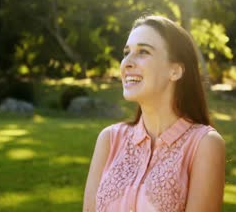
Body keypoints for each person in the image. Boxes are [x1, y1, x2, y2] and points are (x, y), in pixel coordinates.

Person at [83, 15, 225, 212]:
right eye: (126, 52)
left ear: (175, 71)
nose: (127, 63)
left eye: (143, 52)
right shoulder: (109, 139)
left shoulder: (204, 144)